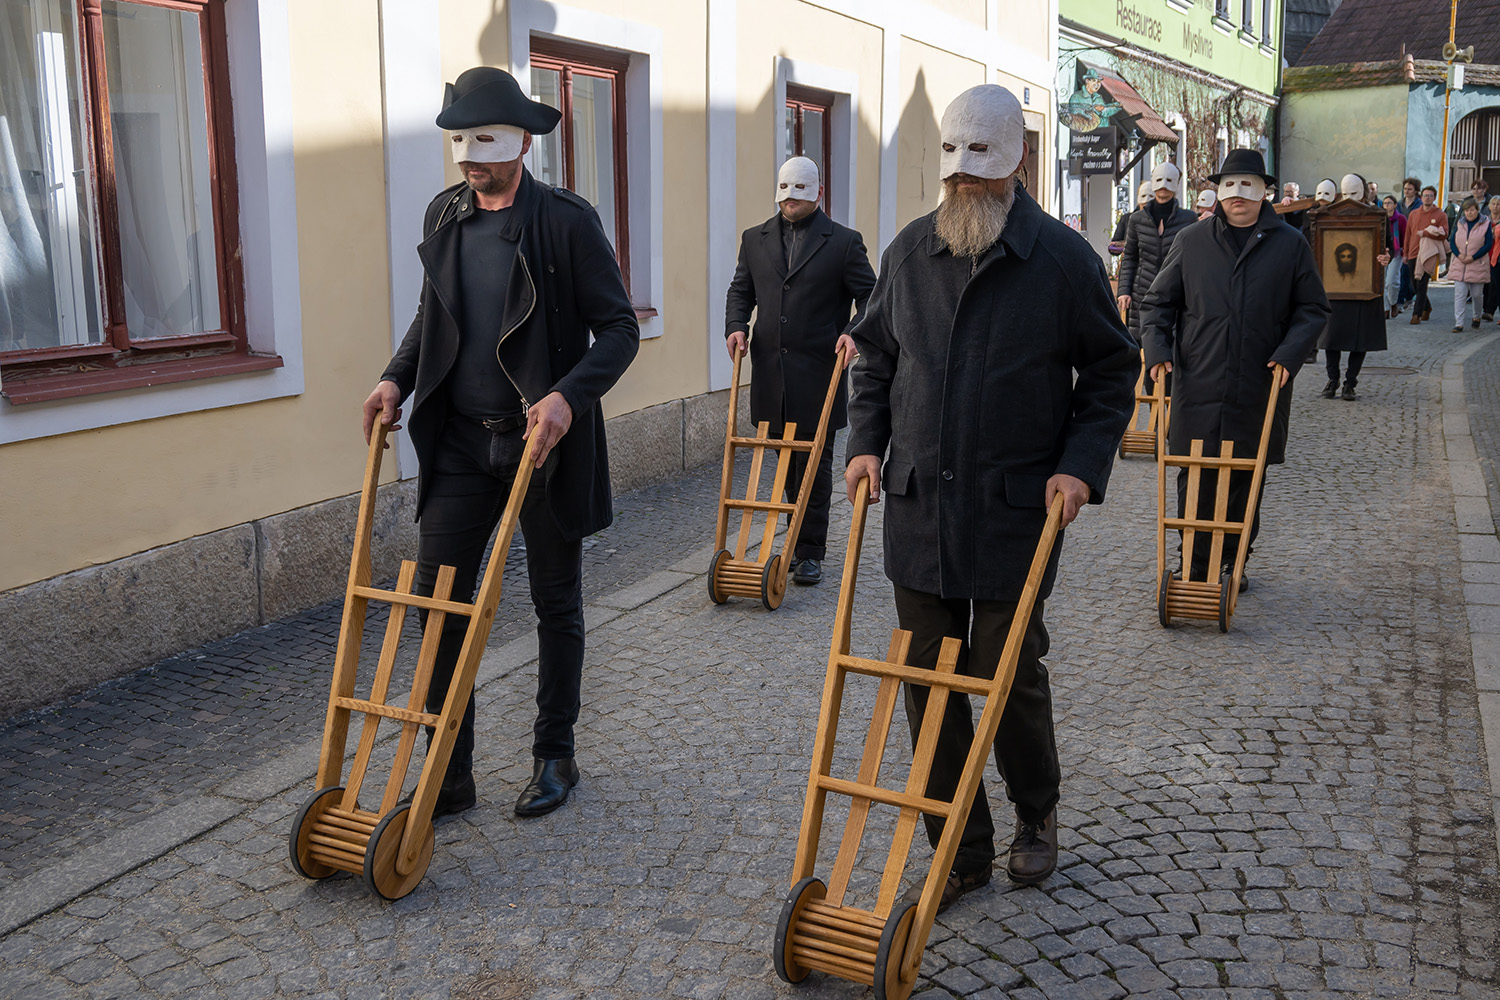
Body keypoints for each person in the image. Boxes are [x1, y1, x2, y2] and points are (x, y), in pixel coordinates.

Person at [844, 84, 1137, 909]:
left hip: (1017, 510)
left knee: (1005, 670)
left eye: (983, 157)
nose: (964, 175)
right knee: (928, 674)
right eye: (953, 157)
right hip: (917, 508)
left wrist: (1081, 464)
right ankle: (958, 843)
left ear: (1016, 160)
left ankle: (1035, 815)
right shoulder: (910, 255)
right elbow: (873, 361)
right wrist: (864, 445)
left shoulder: (1062, 261)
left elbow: (1112, 369)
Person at [361, 67, 640, 819]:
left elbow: (619, 329)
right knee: (439, 601)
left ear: (520, 142)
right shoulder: (445, 212)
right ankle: (450, 771)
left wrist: (565, 397)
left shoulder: (565, 223)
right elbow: (433, 318)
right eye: (457, 141)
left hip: (540, 445)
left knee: (555, 601)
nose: (466, 158)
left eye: (480, 142)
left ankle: (556, 756)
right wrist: (396, 380)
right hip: (459, 442)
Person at [1140, 149, 1330, 588]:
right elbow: (1158, 304)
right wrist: (1157, 351)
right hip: (1199, 381)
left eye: (1248, 185)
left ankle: (1232, 562)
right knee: (1195, 474)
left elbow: (1313, 309)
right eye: (1229, 185)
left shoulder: (1289, 245)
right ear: (1217, 192)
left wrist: (1289, 354)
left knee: (1246, 477)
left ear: (1264, 191)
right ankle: (1192, 561)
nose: (1237, 194)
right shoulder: (1192, 241)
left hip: (1259, 384)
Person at [723, 156, 877, 585]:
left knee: (815, 464)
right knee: (786, 463)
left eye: (801, 194)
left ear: (818, 194)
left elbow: (871, 299)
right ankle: (795, 536)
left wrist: (853, 334)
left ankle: (810, 551)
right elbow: (741, 290)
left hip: (818, 376)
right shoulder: (755, 239)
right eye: (786, 193)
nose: (791, 202)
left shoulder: (844, 242)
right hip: (771, 375)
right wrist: (736, 326)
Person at [1317, 174, 1389, 401]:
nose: (1350, 199)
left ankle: (1350, 383)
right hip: (1335, 288)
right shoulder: (1329, 216)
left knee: (1361, 339)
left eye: (1354, 194)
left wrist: (1386, 257)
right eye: (1345, 194)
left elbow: (1386, 246)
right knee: (1332, 338)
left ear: (1365, 192)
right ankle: (1332, 380)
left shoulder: (1376, 216)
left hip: (1366, 288)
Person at [1117, 161, 1197, 359]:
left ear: (1177, 185)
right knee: (1143, 351)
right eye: (1159, 184)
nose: (1163, 191)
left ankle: (1169, 391)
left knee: (1171, 351)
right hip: (1142, 293)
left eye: (1169, 183)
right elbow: (1130, 258)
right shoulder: (1137, 219)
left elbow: (1194, 259)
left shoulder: (1188, 219)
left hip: (1176, 294)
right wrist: (1124, 291)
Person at [1406, 185, 1448, 324]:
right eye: (1425, 195)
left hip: (1428, 254)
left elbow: (1444, 234)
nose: (1427, 198)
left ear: (1434, 198)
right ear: (1421, 197)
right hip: (1413, 252)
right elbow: (1408, 234)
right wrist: (1405, 252)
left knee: (1422, 284)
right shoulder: (1413, 214)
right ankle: (1427, 307)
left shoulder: (1440, 215)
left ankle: (1416, 314)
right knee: (1413, 284)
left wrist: (1426, 233)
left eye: (1430, 195)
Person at [1450, 196, 1492, 332]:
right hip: (1460, 263)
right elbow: (1452, 242)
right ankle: (1459, 323)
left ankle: (1476, 316)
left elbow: (1488, 244)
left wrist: (1473, 257)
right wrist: (1459, 255)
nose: (1469, 213)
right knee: (1460, 294)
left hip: (1477, 264)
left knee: (1476, 294)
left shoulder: (1485, 223)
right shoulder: (1460, 223)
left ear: (1477, 210)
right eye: (1466, 210)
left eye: (1472, 210)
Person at [1395, 177, 1422, 311]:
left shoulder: (1420, 205)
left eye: (1410, 189)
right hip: (1400, 239)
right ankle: (1400, 300)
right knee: (1401, 271)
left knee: (1411, 272)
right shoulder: (1399, 204)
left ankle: (1410, 297)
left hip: (1414, 240)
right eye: (1405, 189)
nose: (1407, 191)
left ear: (1416, 191)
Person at [1381, 195, 1407, 318]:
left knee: (1391, 281)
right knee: (1382, 281)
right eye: (1385, 203)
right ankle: (1385, 308)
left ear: (1395, 205)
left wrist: (1405, 252)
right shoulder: (1380, 218)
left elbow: (1405, 237)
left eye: (1389, 203)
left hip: (1396, 252)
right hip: (1382, 252)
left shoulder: (1401, 219)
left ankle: (1393, 303)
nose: (1387, 205)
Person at [1484, 196, 1500, 322]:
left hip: (1497, 256)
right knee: (1486, 284)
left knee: (1495, 284)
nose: (1495, 206)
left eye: (1498, 204)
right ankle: (1486, 309)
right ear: (1489, 206)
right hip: (1485, 254)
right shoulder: (1484, 221)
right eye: (1493, 204)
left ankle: (1490, 310)